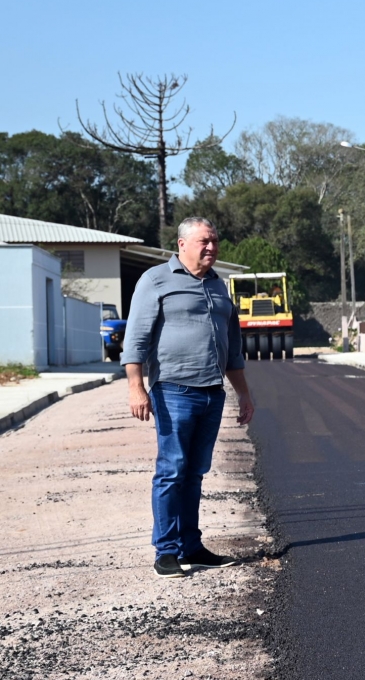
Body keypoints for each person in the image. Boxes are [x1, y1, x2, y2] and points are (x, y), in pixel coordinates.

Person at [121, 216, 255, 579]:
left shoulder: (218, 286)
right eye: (204, 242)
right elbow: (135, 339)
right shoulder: (155, 281)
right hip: (173, 391)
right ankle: (166, 551)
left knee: (195, 472)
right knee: (172, 471)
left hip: (212, 393)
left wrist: (243, 394)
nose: (211, 247)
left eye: (214, 241)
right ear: (181, 245)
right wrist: (137, 387)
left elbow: (233, 350)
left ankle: (191, 546)